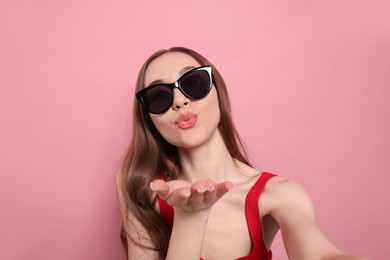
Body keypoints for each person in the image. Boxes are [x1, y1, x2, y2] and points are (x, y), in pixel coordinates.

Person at [116, 47, 369, 260]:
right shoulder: (141, 187)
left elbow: (320, 254)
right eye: (159, 96)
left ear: (218, 92)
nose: (179, 101)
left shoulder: (280, 193)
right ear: (149, 119)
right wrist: (189, 219)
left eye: (193, 83)